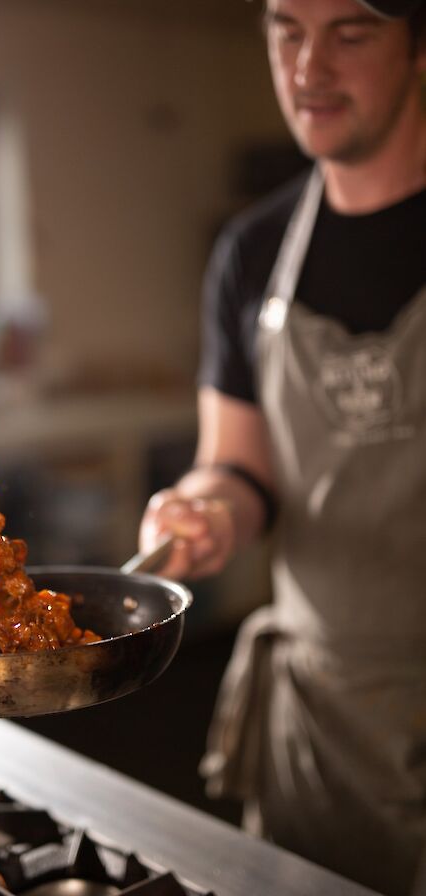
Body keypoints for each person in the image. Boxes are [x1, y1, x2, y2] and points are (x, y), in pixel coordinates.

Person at [138, 1, 426, 893]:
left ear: (419, 47)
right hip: (320, 720)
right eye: (284, 29)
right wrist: (209, 510)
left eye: (350, 31)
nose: (306, 67)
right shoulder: (251, 251)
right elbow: (240, 465)